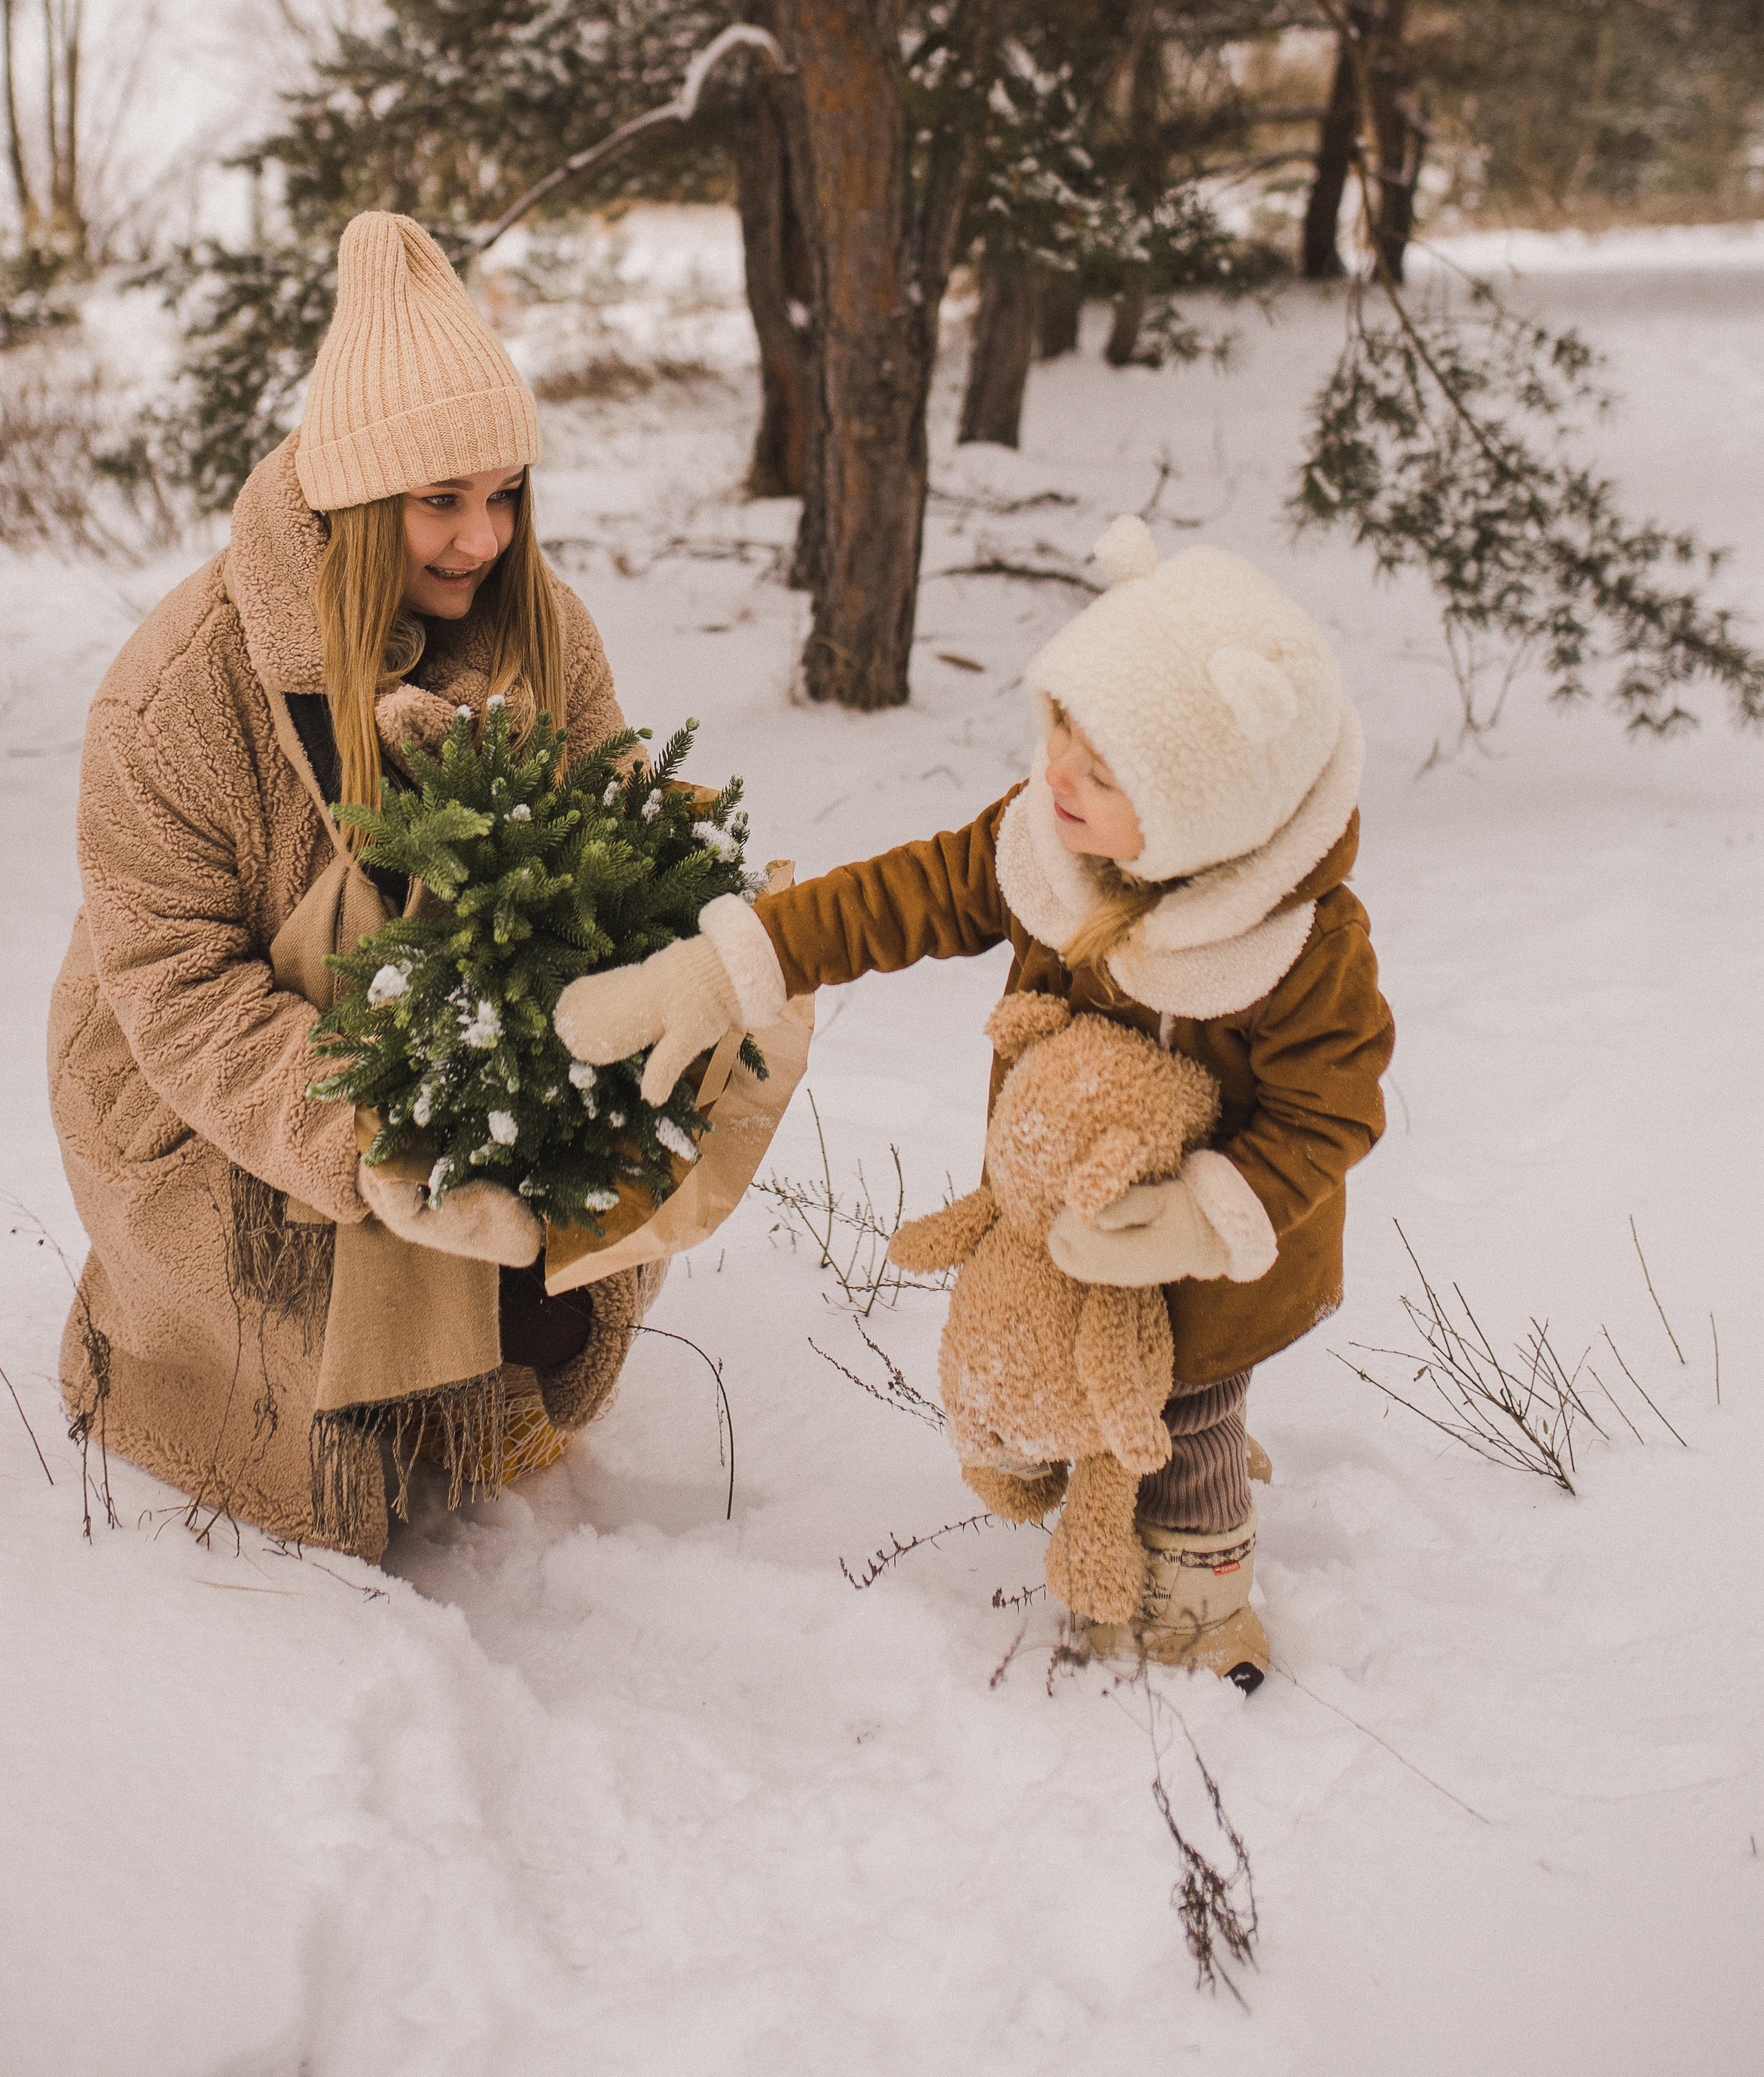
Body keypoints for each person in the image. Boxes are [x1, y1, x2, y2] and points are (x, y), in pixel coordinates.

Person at [558, 515, 1395, 1682]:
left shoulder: (1298, 949)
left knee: (1183, 1417)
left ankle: (1201, 1601)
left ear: (1206, 809)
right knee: (1095, 1391)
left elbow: (1335, 1110)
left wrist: (1210, 1211)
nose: (1056, 773)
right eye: (1059, 724)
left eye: (1103, 772)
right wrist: (732, 964)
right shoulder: (1049, 841)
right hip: (1059, 1220)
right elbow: (895, 900)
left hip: (1213, 1273)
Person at [49, 211, 650, 1562]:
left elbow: (613, 857)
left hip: (464, 1037)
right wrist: (378, 1141)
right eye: (441, 501)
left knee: (550, 1290)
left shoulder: (546, 634)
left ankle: (482, 1341)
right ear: (350, 498)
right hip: (221, 1081)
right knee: (317, 1399)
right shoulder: (176, 693)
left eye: (504, 494)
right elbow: (177, 985)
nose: (483, 537)